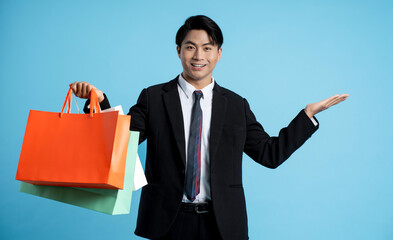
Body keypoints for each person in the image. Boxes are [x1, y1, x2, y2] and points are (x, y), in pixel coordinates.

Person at [70, 15, 349, 240]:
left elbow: (269, 154)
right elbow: (120, 143)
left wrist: (307, 115)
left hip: (222, 225)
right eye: (190, 46)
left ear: (219, 53)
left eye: (207, 47)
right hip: (167, 222)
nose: (198, 55)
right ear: (179, 50)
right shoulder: (154, 98)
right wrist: (99, 101)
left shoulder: (236, 105)